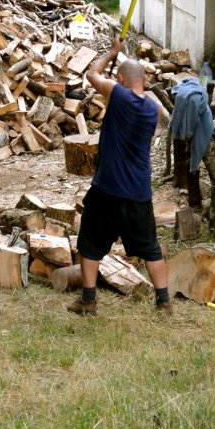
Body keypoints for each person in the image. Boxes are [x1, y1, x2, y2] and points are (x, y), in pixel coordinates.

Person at [68, 34, 171, 315]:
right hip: (139, 191)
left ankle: (88, 301)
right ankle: (164, 302)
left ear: (122, 80)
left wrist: (113, 52)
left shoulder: (118, 94)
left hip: (107, 188)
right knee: (151, 248)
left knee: (90, 244)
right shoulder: (153, 109)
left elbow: (92, 74)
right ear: (145, 82)